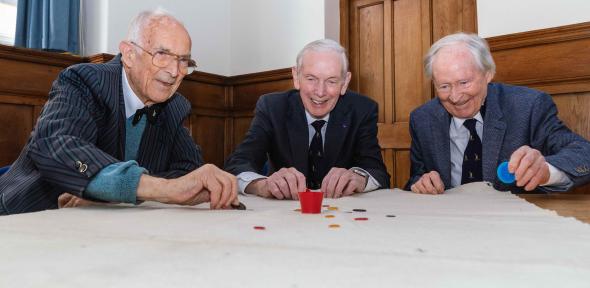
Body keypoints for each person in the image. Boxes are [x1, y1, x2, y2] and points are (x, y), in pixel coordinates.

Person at [0, 9, 238, 215]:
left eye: (184, 61)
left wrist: (109, 192)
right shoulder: (84, 80)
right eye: (162, 55)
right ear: (129, 54)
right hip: (25, 216)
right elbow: (59, 149)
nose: (175, 71)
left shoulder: (174, 106)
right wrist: (158, 189)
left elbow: (187, 172)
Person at [406, 32, 590, 194]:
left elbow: (583, 153)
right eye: (444, 86)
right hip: (448, 222)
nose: (455, 97)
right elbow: (417, 177)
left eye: (464, 83)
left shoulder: (529, 106)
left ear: (488, 74)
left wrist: (546, 171)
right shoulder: (422, 119)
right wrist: (421, 183)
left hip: (512, 223)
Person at [225, 39, 389, 200]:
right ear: (296, 77)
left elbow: (378, 173)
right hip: (286, 214)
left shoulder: (362, 110)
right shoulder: (272, 107)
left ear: (345, 82)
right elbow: (238, 164)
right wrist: (263, 185)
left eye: (331, 81)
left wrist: (358, 178)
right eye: (311, 79)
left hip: (343, 214)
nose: (320, 91)